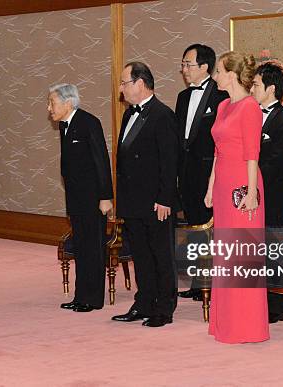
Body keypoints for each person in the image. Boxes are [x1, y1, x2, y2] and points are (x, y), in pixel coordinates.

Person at [204, 52, 269, 343]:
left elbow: (252, 154)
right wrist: (210, 187)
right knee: (225, 254)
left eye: (217, 71)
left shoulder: (250, 108)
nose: (215, 76)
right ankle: (226, 323)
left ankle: (246, 326)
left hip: (243, 186)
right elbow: (217, 152)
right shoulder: (222, 106)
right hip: (222, 184)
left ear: (231, 75)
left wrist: (252, 193)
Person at [111, 61, 179, 328]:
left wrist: (165, 198)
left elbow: (169, 161)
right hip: (133, 200)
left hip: (155, 201)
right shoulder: (129, 115)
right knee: (140, 254)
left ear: (140, 83)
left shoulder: (163, 115)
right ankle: (143, 302)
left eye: (124, 82)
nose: (121, 88)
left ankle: (164, 308)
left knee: (161, 255)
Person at [47, 83, 113, 312]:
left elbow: (101, 162)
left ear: (67, 103)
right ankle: (80, 296)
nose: (49, 108)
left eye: (52, 103)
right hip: (76, 199)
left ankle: (93, 299)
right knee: (81, 248)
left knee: (93, 249)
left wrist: (106, 197)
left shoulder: (88, 122)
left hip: (94, 199)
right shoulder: (66, 126)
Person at [175, 44, 229, 302]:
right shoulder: (182, 97)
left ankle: (216, 283)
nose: (184, 69)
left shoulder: (220, 96)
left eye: (188, 64)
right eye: (183, 64)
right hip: (187, 172)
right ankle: (198, 282)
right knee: (195, 226)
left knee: (212, 227)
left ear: (205, 67)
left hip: (211, 172)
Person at [250, 62, 283, 323]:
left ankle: (277, 306)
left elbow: (276, 162)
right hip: (247, 195)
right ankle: (254, 301)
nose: (252, 89)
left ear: (270, 88)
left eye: (256, 84)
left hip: (272, 195)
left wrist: (250, 178)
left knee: (273, 248)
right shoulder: (248, 114)